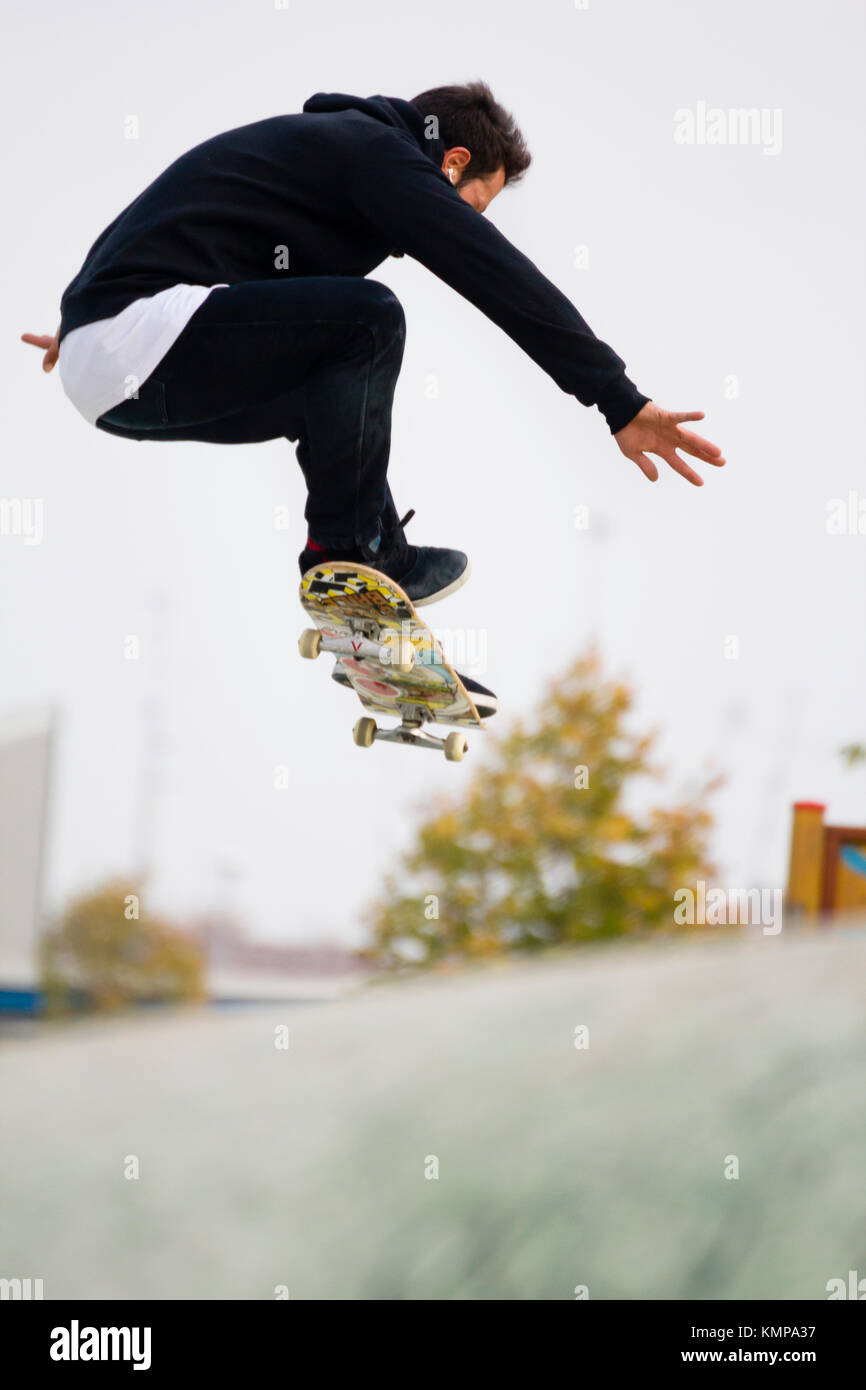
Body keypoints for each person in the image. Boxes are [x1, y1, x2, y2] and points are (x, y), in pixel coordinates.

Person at [23, 81, 724, 614]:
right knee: (368, 319)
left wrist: (94, 327)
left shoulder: (323, 162)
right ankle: (348, 552)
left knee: (325, 389)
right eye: (472, 204)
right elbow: (500, 277)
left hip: (118, 369)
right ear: (451, 164)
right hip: (135, 338)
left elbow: (196, 230)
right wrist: (618, 399)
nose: (462, 222)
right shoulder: (378, 156)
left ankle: (371, 558)